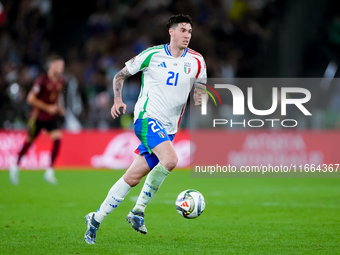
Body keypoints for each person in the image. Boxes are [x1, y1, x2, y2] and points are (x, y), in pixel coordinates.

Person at [84, 14, 207, 244]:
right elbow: (121, 74)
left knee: (132, 177)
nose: (187, 35)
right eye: (182, 30)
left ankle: (95, 218)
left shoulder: (197, 61)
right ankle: (138, 211)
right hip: (146, 118)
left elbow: (200, 94)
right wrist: (118, 99)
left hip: (169, 129)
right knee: (170, 160)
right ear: (171, 31)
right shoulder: (152, 54)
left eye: (189, 31)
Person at [9, 55, 65, 185]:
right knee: (29, 142)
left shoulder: (60, 81)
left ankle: (49, 171)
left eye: (62, 66)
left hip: (52, 117)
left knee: (57, 139)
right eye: (59, 65)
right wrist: (47, 107)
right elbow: (30, 99)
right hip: (38, 117)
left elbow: (58, 96)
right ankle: (15, 166)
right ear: (51, 66)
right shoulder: (42, 80)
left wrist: (59, 108)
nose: (61, 68)